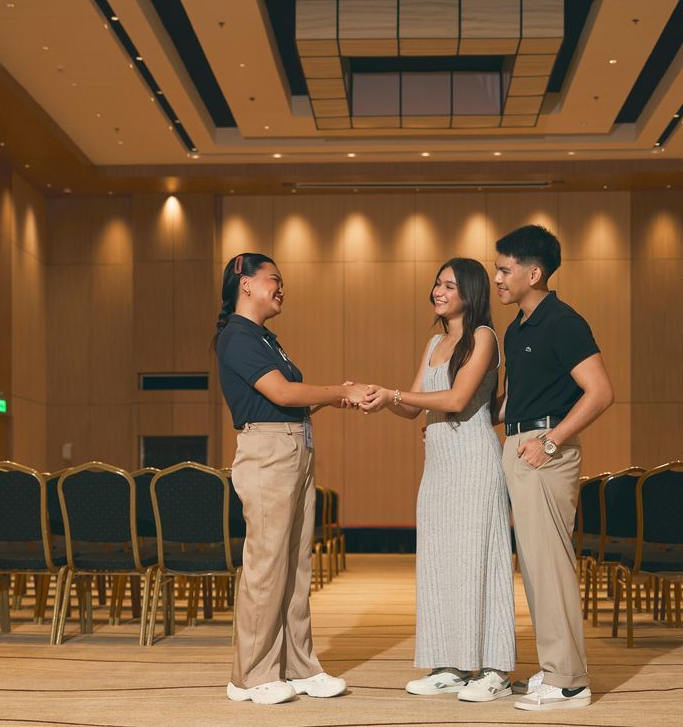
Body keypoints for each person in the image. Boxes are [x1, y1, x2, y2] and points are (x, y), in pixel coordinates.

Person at [214, 252, 369, 705]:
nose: (281, 288)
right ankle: (251, 675)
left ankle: (298, 666)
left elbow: (288, 400)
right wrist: (339, 391)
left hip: (293, 445)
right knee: (266, 565)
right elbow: (280, 392)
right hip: (267, 453)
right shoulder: (236, 336)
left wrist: (333, 399)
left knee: (296, 566)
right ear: (245, 283)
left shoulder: (265, 338)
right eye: (273, 280)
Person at [359, 258, 516, 702]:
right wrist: (382, 398)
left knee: (479, 562)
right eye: (437, 283)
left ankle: (494, 669)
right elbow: (413, 407)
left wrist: (394, 393)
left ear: (471, 292)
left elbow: (456, 398)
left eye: (449, 284)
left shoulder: (483, 337)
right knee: (439, 563)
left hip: (474, 459)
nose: (438, 290)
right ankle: (449, 664)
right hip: (439, 467)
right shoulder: (434, 342)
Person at [493, 225, 614, 711]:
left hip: (544, 448)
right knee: (538, 569)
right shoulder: (517, 327)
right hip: (521, 445)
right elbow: (511, 402)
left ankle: (569, 683)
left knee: (552, 567)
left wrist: (551, 440)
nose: (497, 278)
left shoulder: (563, 321)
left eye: (504, 269)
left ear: (534, 272)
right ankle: (555, 669)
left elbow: (601, 391)